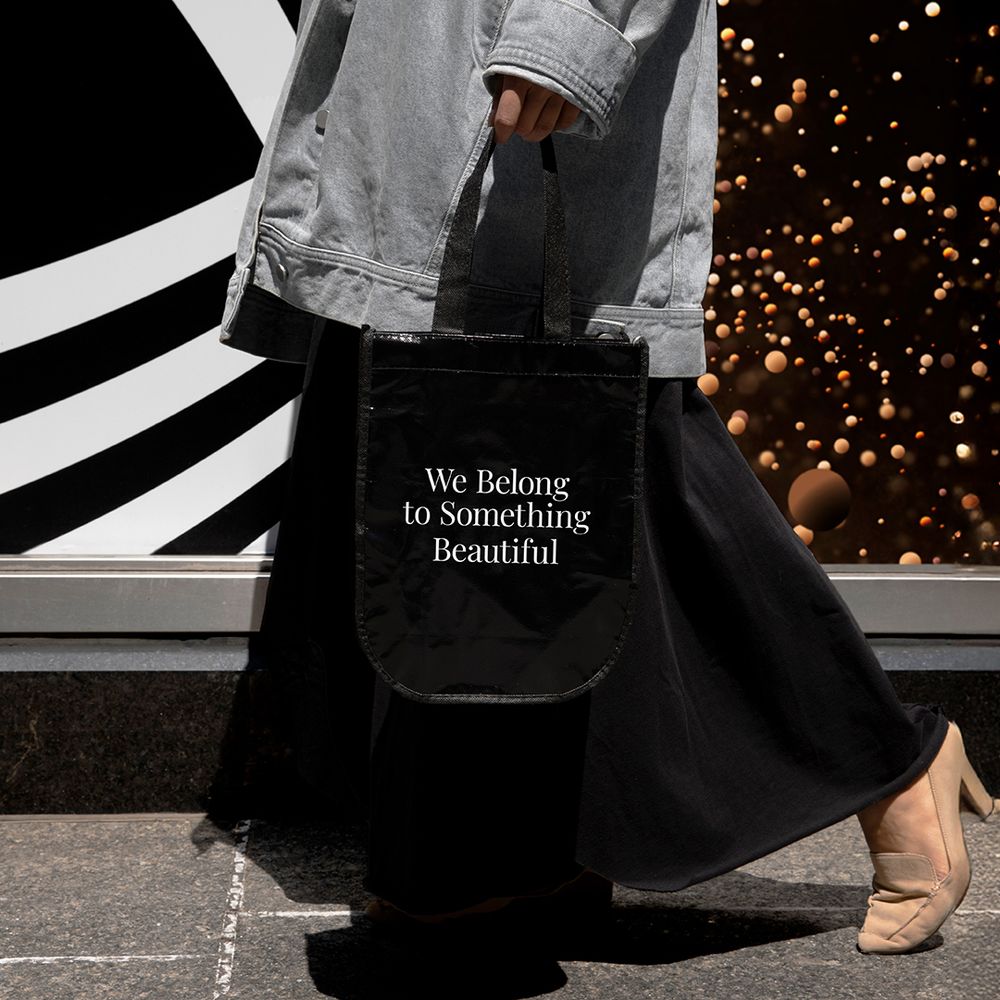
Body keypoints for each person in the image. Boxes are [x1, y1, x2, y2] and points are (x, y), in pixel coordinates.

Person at [219, 0, 996, 955]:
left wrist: (569, 30)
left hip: (510, 50)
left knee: (589, 438)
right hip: (411, 60)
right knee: (450, 436)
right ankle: (512, 861)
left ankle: (886, 759)